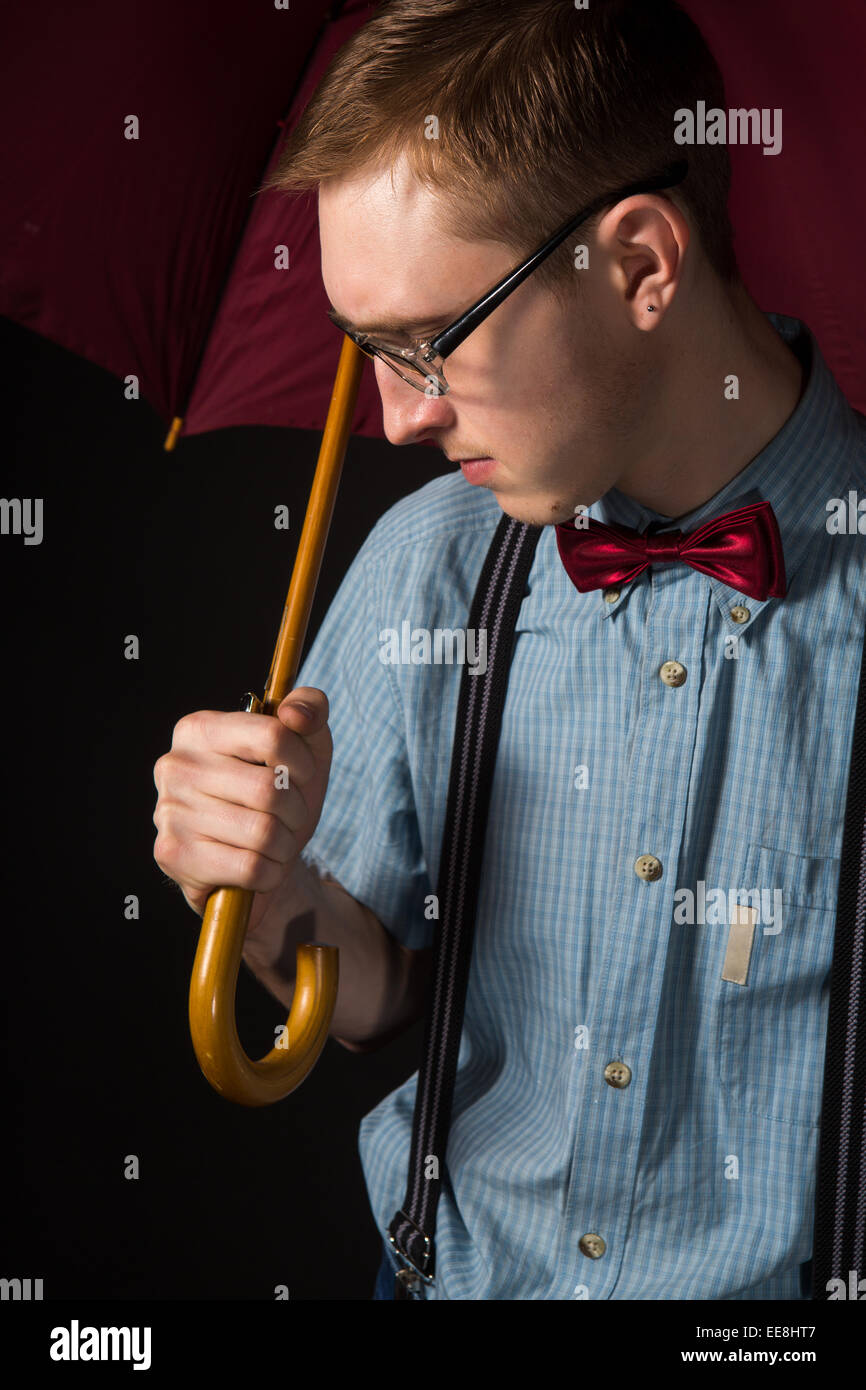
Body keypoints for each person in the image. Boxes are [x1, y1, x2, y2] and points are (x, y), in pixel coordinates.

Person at [152, 0, 866, 1299]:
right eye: (362, 347)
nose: (399, 414)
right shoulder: (429, 560)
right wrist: (265, 891)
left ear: (643, 262)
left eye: (431, 341)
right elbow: (374, 991)